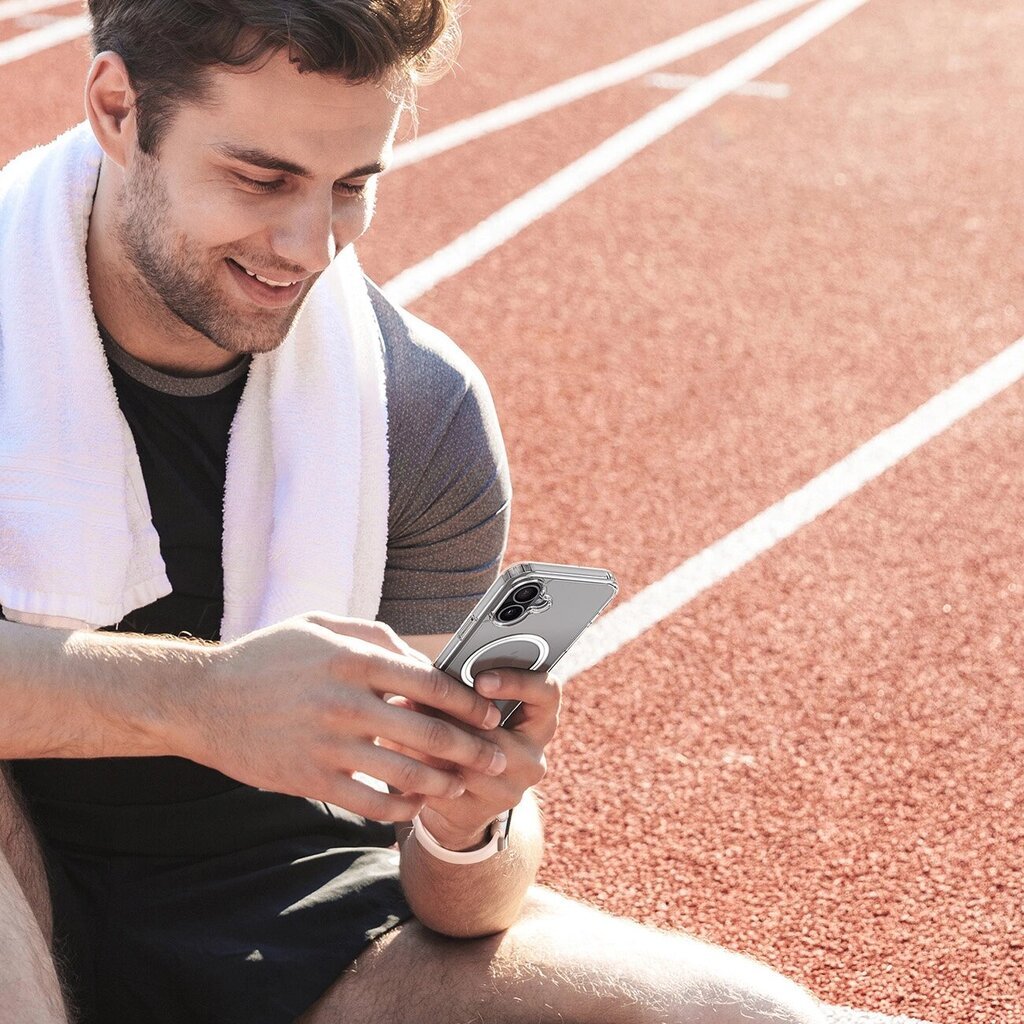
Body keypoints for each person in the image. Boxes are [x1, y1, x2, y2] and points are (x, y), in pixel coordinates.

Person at [0, 3, 827, 1022]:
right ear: (119, 110)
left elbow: (462, 902)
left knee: (748, 1015)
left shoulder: (414, 410)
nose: (309, 246)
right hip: (18, 886)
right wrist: (206, 699)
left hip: (291, 917)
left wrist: (469, 813)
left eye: (351, 187)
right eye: (261, 179)